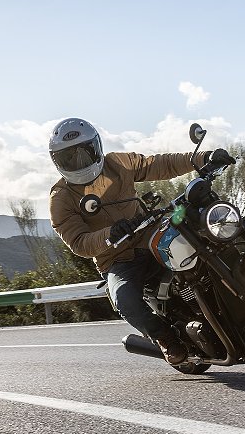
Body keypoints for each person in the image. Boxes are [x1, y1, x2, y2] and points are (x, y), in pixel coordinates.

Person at [47, 117, 234, 365]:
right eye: (69, 157)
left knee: (208, 233)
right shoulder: (60, 198)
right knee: (124, 300)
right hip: (117, 260)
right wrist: (109, 234)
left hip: (151, 234)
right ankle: (165, 338)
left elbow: (158, 164)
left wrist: (202, 158)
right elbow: (79, 242)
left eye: (84, 152)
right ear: (57, 161)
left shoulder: (118, 163)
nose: (78, 161)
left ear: (96, 147)